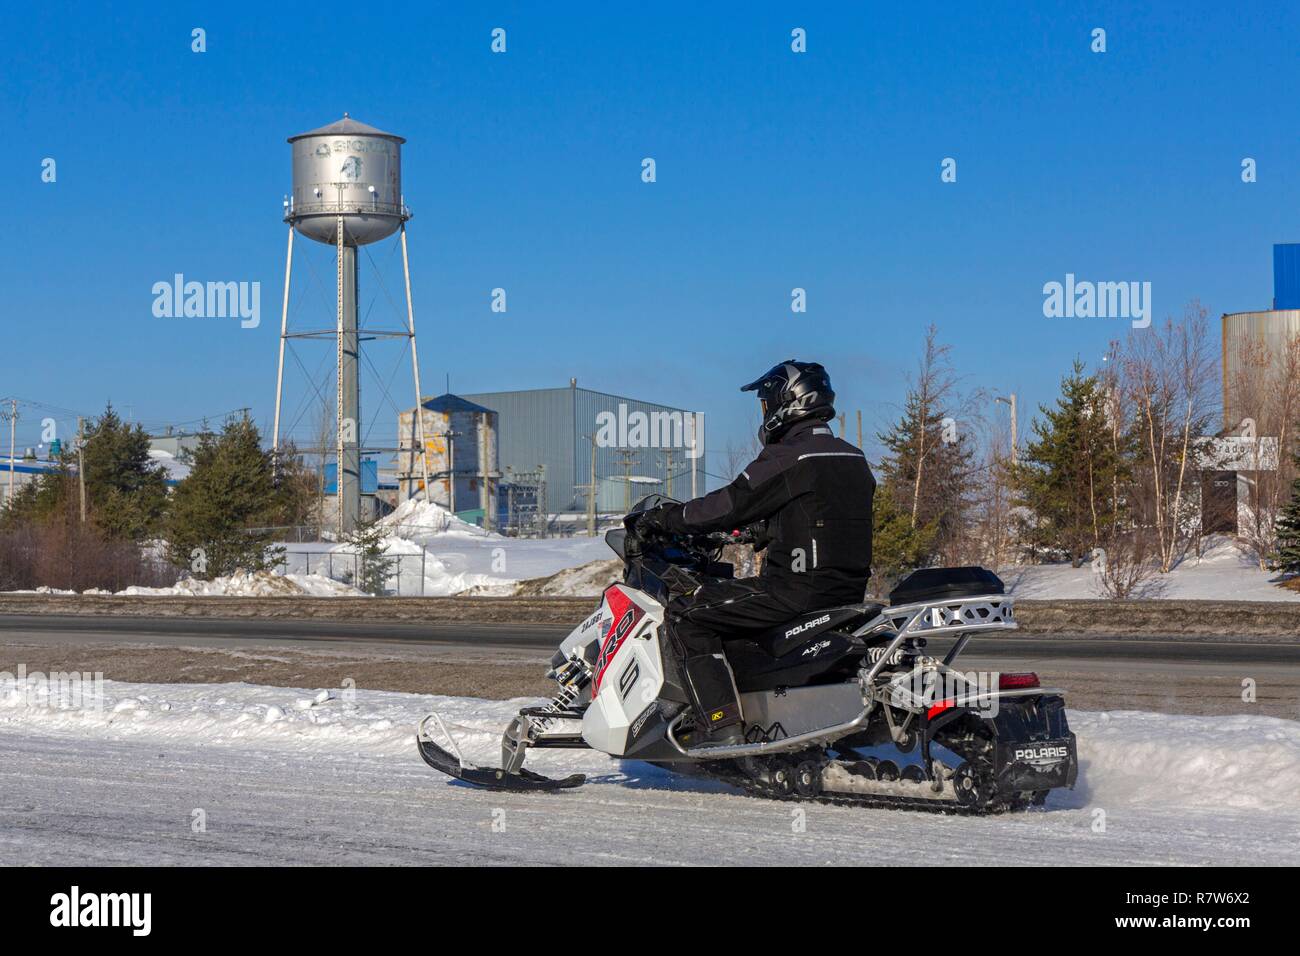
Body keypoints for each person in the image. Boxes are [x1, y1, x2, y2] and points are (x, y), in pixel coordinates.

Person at [633, 360, 876, 747]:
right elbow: (817, 514)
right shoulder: (852, 457)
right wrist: (762, 530)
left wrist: (664, 519)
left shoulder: (790, 456)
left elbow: (728, 503)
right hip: (845, 590)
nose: (763, 414)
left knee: (686, 615)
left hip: (792, 591)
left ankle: (719, 725)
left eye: (765, 404)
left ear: (787, 402)